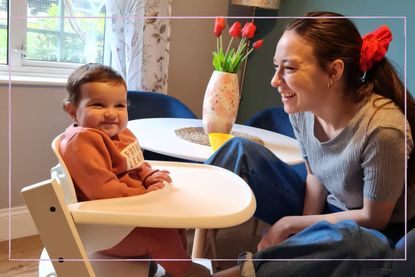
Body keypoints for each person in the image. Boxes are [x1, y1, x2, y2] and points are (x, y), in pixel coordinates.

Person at [208, 11, 415, 277]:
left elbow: (375, 218)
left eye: (290, 68)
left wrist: (288, 226)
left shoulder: (383, 129)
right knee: (238, 152)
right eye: (276, 66)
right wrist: (301, 230)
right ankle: (168, 244)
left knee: (349, 239)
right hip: (332, 208)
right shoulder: (303, 110)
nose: (275, 80)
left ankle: (242, 273)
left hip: (377, 233)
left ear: (334, 71)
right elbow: (315, 177)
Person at [60, 63, 211, 277]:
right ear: (72, 111)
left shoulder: (121, 134)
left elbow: (137, 163)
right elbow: (104, 192)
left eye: (119, 105)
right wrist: (145, 196)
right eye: (98, 105)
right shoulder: (82, 143)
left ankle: (172, 267)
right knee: (161, 235)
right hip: (106, 226)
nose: (111, 114)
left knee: (177, 223)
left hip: (128, 214)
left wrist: (149, 176)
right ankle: (183, 270)